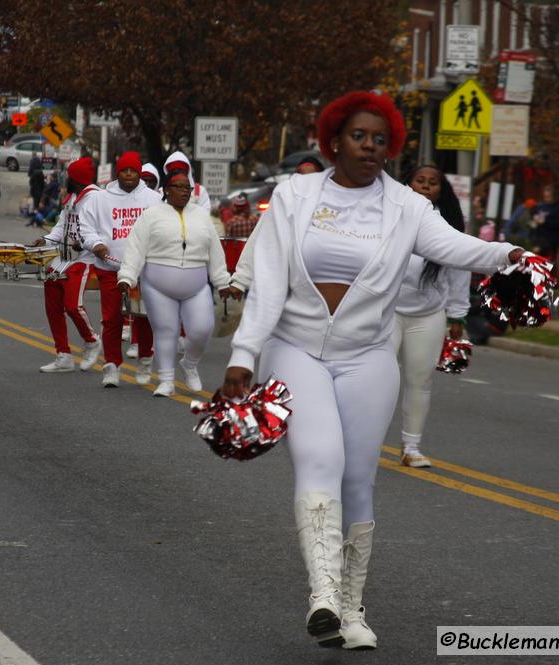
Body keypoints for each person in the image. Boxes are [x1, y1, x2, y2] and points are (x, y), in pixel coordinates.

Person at [220, 91, 522, 650]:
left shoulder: (407, 206)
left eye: (381, 140)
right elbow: (267, 284)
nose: (370, 147)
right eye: (360, 136)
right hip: (297, 346)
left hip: (367, 355)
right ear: (335, 139)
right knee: (321, 457)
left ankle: (353, 609)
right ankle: (324, 596)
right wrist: (244, 354)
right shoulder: (295, 195)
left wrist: (511, 256)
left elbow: (457, 248)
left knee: (358, 478)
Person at [118, 169, 233, 396]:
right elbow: (135, 248)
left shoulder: (201, 215)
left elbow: (215, 251)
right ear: (166, 190)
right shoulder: (151, 215)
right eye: (178, 187)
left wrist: (222, 281)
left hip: (197, 286)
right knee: (166, 331)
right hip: (157, 285)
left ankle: (189, 364)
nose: (184, 192)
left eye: (187, 188)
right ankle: (166, 380)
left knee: (202, 329)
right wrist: (127, 276)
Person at [391, 165, 471, 468]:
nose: (425, 186)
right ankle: (365, 442)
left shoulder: (447, 226)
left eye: (432, 183)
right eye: (419, 181)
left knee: (420, 380)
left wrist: (457, 316)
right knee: (379, 379)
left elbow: (460, 268)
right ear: (407, 184)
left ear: (441, 190)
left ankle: (411, 447)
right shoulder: (390, 215)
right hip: (387, 311)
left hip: (428, 314)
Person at [79, 152, 163, 387]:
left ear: (139, 173)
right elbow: (86, 227)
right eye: (124, 170)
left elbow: (162, 229)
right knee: (111, 318)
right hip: (109, 268)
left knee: (144, 318)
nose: (128, 174)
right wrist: (96, 244)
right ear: (118, 172)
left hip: (142, 270)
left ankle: (145, 361)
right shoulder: (100, 198)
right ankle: (111, 367)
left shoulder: (152, 199)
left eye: (133, 171)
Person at [33, 158, 102, 373]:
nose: (65, 178)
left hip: (84, 259)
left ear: (77, 178)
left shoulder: (97, 199)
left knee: (73, 305)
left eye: (69, 175)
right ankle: (63, 355)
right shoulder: (72, 198)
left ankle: (91, 340)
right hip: (62, 258)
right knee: (52, 303)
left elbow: (102, 231)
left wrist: (88, 244)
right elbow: (62, 226)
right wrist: (45, 239)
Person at [529, 184, 559, 271]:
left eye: (548, 197)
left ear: (554, 196)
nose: (546, 199)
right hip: (540, 240)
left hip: (553, 241)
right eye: (545, 196)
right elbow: (534, 220)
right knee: (538, 264)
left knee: (549, 264)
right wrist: (534, 220)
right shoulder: (541, 207)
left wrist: (545, 222)